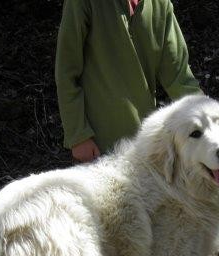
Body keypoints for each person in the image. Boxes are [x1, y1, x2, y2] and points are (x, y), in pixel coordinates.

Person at [55, 0, 202, 162]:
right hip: (97, 148)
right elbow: (66, 72)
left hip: (144, 144)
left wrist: (209, 117)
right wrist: (78, 136)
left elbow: (178, 76)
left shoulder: (160, 4)